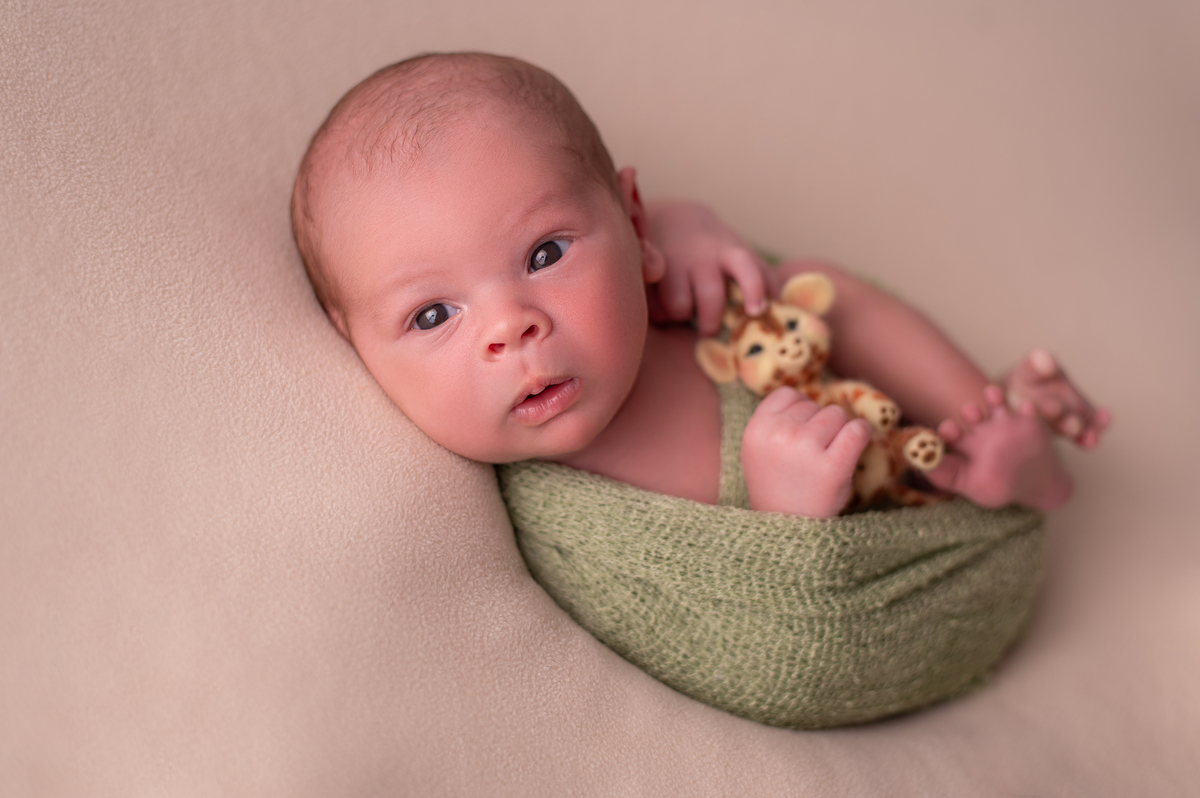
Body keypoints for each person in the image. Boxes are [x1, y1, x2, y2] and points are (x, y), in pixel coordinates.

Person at [290, 52, 1109, 520]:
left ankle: (994, 423)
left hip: (891, 432)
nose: (512, 327)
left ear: (630, 218)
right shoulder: (559, 516)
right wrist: (788, 523)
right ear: (348, 340)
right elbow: (745, 650)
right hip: (857, 536)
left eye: (544, 255)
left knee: (809, 288)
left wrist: (674, 233)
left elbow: (668, 249)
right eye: (434, 313)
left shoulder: (655, 289)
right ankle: (996, 472)